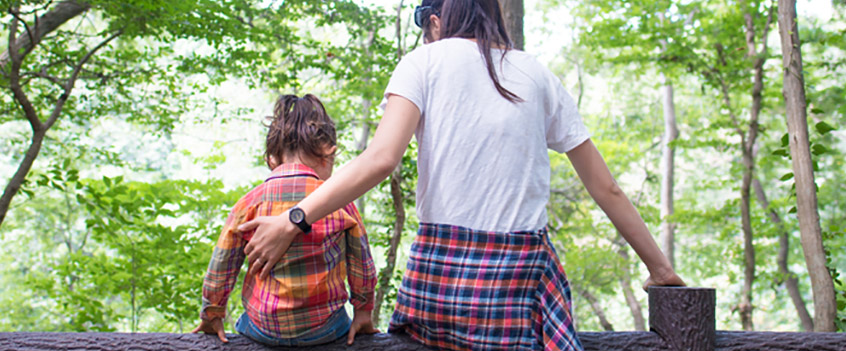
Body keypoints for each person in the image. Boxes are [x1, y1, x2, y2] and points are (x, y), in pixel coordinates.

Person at [234, 1, 687, 350]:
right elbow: (604, 187)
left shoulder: (423, 63)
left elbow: (380, 160)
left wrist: (294, 218)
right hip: (515, 290)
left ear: (436, 21)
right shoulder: (537, 74)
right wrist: (660, 268)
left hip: (441, 290)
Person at [192, 94, 381, 346]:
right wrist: (363, 312)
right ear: (328, 155)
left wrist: (212, 313)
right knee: (340, 322)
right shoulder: (340, 203)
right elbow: (362, 265)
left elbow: (222, 265)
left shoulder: (249, 203)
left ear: (272, 158)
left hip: (263, 328)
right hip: (324, 328)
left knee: (244, 321)